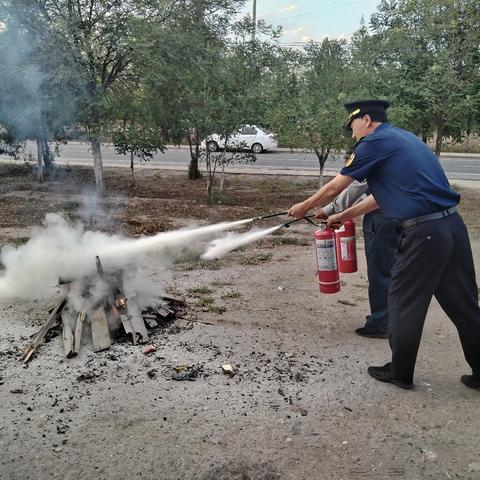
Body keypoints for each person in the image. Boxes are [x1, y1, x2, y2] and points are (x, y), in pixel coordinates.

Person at [288, 99, 480, 391]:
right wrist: (343, 215)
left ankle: (400, 372)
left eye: (352, 127)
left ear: (365, 119)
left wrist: (304, 206)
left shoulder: (374, 143)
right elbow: (383, 196)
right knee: (463, 303)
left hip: (423, 233)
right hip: (450, 227)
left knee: (403, 302)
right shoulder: (405, 139)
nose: (353, 135)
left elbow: (335, 186)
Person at [318, 180, 396, 338]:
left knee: (379, 271)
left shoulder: (374, 154)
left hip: (382, 217)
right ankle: (390, 318)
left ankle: (381, 323)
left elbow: (357, 186)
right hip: (400, 213)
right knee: (391, 268)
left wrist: (330, 210)